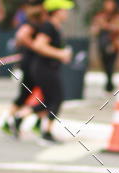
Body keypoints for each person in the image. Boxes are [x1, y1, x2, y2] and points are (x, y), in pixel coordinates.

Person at [1, 0, 46, 137]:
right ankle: (16, 120)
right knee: (43, 94)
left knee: (30, 94)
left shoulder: (36, 22)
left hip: (32, 63)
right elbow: (20, 36)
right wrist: (35, 46)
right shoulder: (33, 23)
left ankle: (16, 121)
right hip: (32, 64)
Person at [30, 0, 72, 142]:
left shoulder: (55, 26)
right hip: (44, 68)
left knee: (48, 101)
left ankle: (19, 117)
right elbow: (39, 45)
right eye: (64, 10)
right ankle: (46, 132)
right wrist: (60, 54)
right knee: (57, 98)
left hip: (49, 68)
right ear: (56, 11)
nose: (67, 13)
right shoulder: (48, 26)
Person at [91, 0, 119, 93]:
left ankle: (109, 83)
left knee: (111, 64)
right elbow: (94, 30)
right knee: (105, 64)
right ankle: (108, 81)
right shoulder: (100, 16)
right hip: (102, 44)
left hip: (114, 44)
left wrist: (108, 26)